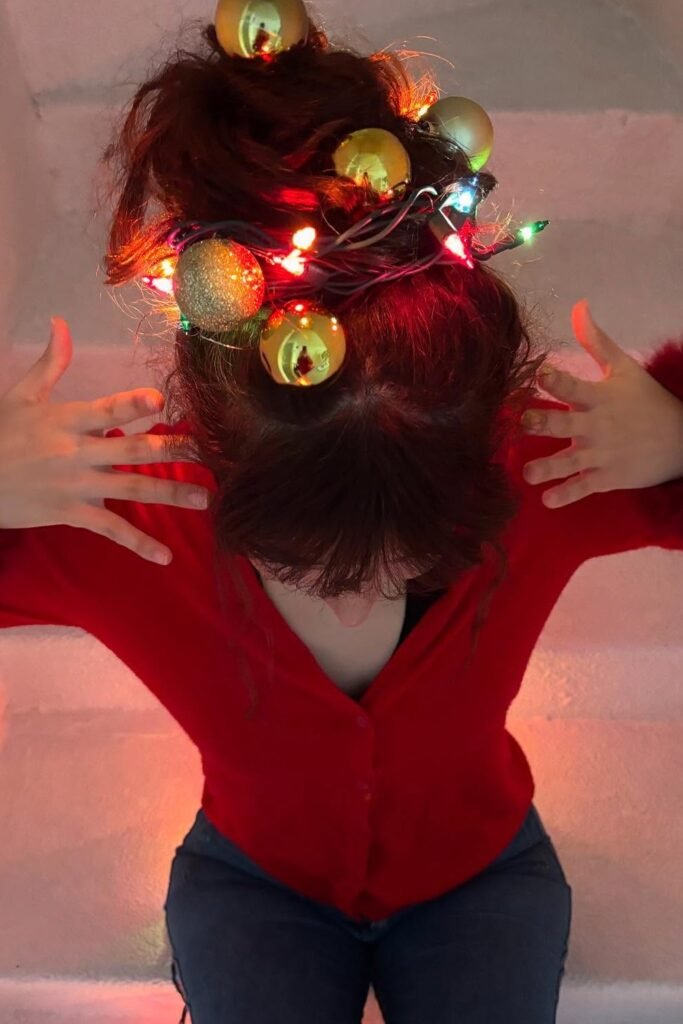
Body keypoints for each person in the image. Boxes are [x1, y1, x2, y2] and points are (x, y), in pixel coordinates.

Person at [2, 8, 683, 1024]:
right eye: (314, 562)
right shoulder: (129, 513)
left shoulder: (554, 462)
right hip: (252, 881)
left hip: (481, 873)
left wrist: (676, 435)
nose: (366, 593)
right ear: (214, 458)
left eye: (413, 558)